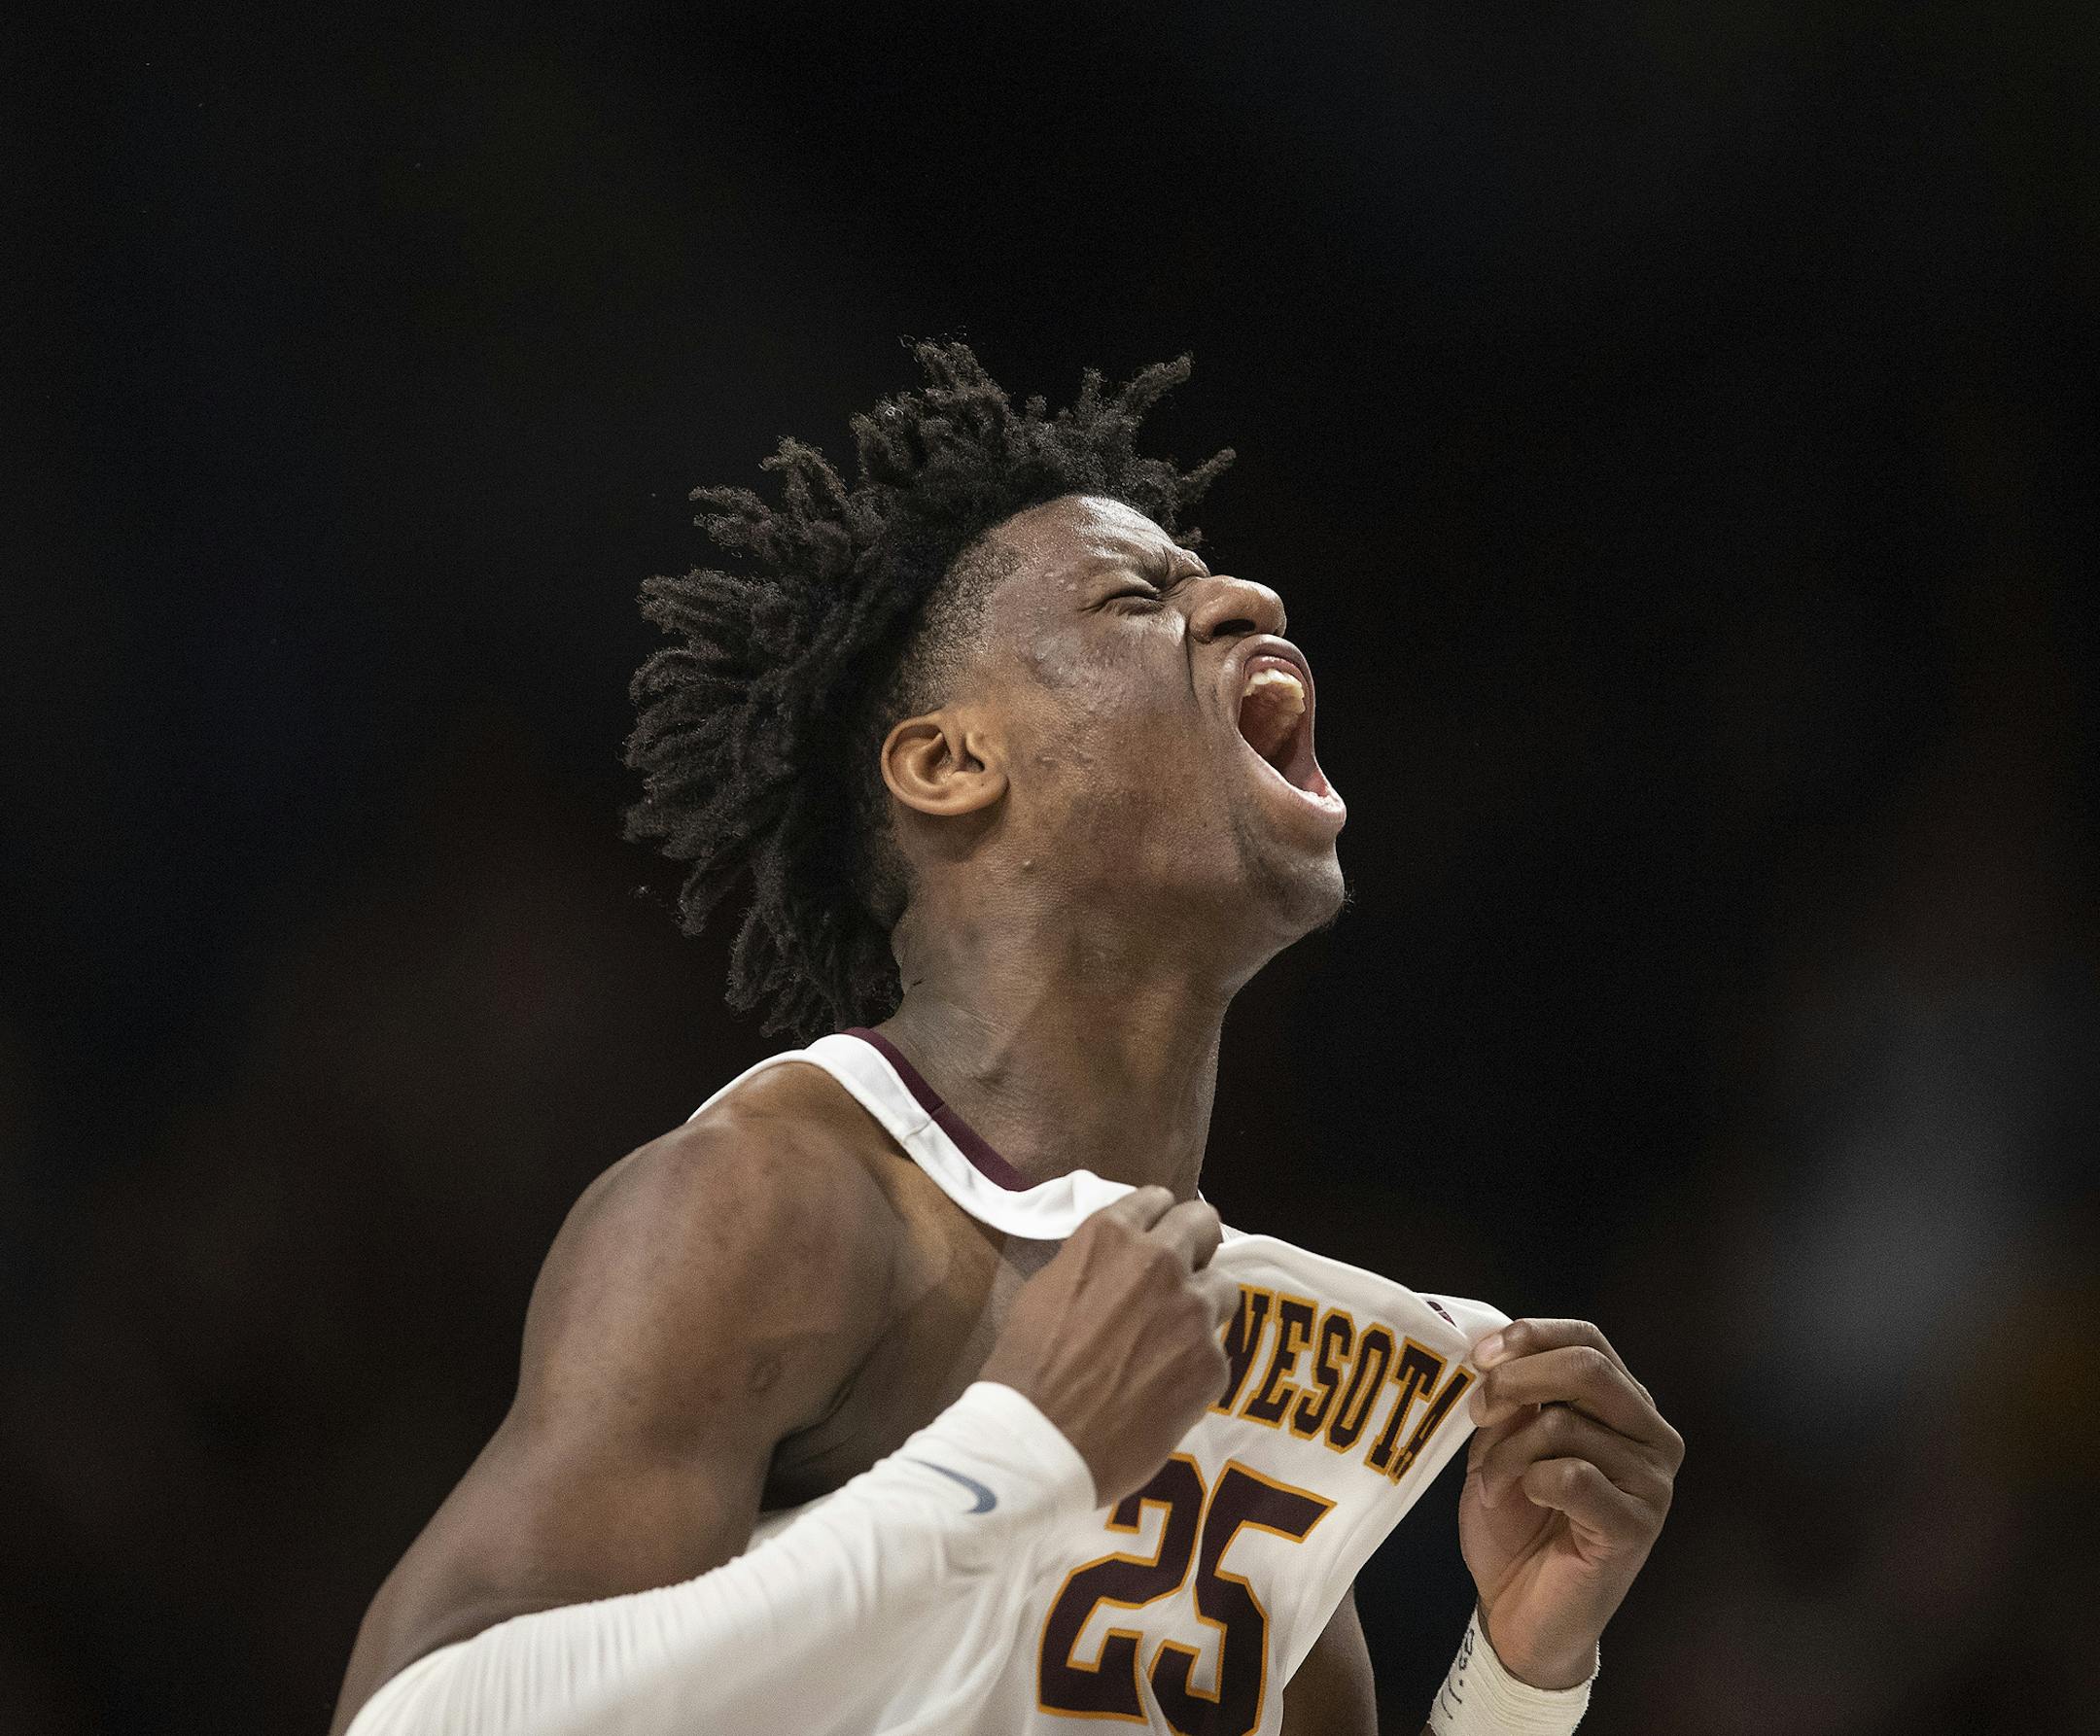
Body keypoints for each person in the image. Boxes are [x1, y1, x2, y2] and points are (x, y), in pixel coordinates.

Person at [329, 343, 1683, 1736]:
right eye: (1138, 593)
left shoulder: (1244, 1361)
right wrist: (1013, 1461)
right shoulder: (772, 1202)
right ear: (952, 762)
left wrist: (1521, 1679)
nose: (1250, 597)